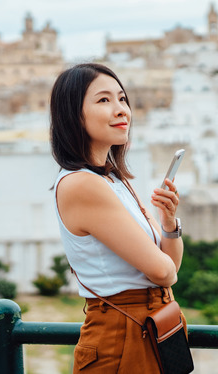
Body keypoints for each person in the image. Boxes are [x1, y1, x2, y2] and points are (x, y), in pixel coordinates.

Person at [50, 63, 184, 372]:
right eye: (103, 100)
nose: (121, 109)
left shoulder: (114, 180)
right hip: (121, 335)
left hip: (150, 327)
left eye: (122, 99)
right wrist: (162, 266)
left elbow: (171, 267)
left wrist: (168, 223)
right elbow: (162, 272)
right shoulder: (82, 184)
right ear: (74, 115)